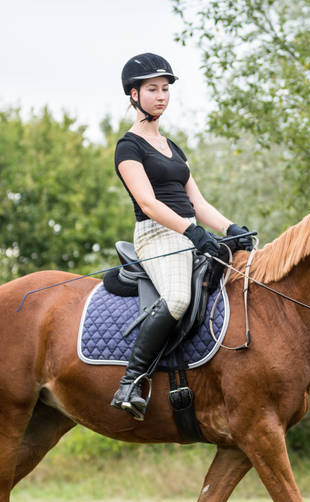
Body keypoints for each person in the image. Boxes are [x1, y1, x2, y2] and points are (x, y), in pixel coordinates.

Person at [111, 53, 252, 420]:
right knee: (176, 299)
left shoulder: (174, 147)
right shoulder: (128, 147)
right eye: (152, 89)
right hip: (157, 235)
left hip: (189, 232)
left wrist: (230, 228)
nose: (161, 96)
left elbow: (198, 202)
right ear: (133, 94)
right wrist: (192, 232)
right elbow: (148, 202)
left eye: (165, 90)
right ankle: (131, 381)